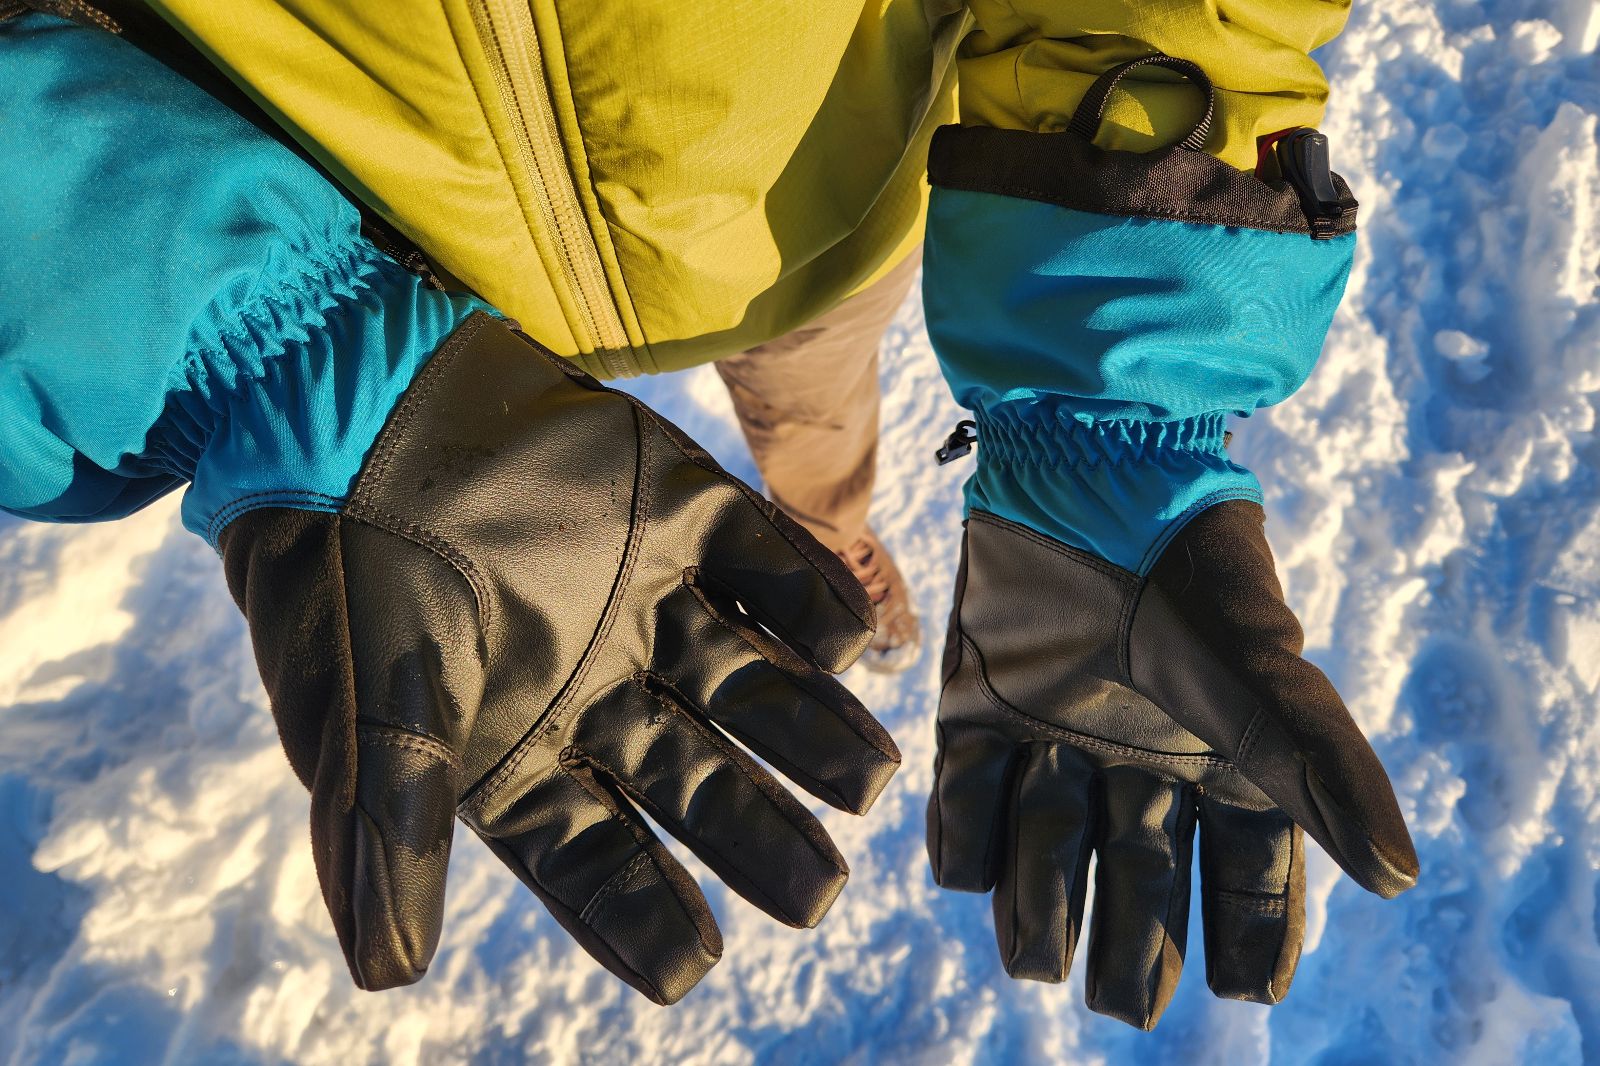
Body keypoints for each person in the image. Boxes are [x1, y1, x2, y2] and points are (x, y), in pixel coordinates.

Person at [0, 0, 1418, 1028]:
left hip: (806, 201)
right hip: (385, 250)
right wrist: (259, 326)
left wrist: (1099, 396)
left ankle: (824, 515)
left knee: (813, 408)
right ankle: (792, 505)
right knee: (712, 404)